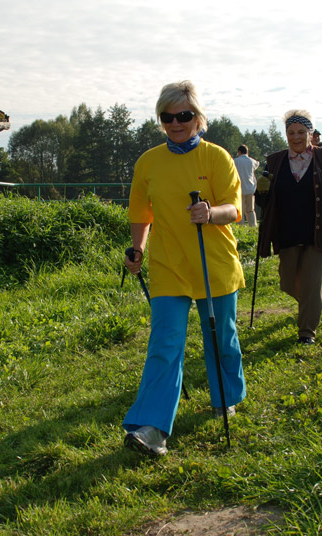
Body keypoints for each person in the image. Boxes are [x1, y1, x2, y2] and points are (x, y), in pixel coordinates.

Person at [122, 80, 247, 456]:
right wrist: (138, 250)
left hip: (215, 264)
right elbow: (140, 214)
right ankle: (153, 428)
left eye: (184, 115)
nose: (175, 123)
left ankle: (227, 396)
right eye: (167, 116)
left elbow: (234, 208)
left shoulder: (217, 157)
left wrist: (210, 213)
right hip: (168, 266)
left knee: (220, 337)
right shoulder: (148, 162)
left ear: (198, 117)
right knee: (164, 345)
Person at [255, 109, 322, 345]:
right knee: (288, 282)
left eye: (301, 132)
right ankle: (313, 302)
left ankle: (306, 333)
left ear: (310, 133)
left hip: (319, 232)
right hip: (287, 232)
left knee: (312, 283)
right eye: (291, 132)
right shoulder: (275, 161)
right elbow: (264, 202)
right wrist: (261, 190)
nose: (296, 137)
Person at [233, 145, 260, 226]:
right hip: (250, 188)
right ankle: (253, 225)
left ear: (239, 152)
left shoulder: (236, 161)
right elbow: (257, 164)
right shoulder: (252, 161)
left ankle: (241, 226)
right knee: (250, 210)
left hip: (240, 188)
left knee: (240, 209)